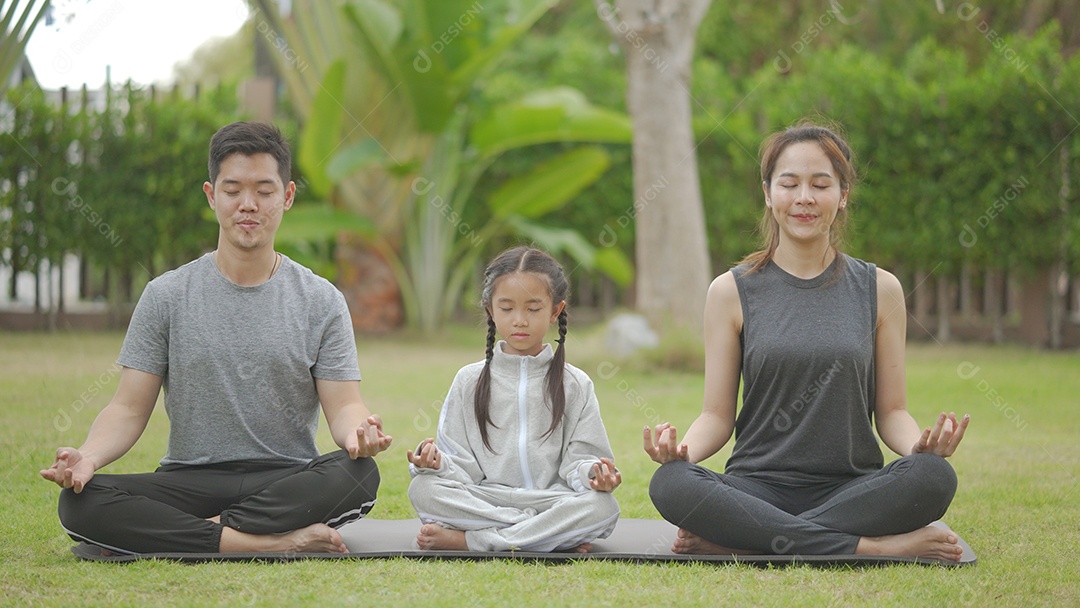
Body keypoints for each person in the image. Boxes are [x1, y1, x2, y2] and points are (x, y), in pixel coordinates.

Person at [40, 121, 392, 555]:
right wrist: (88, 458)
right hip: (189, 480)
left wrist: (360, 432)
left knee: (358, 475)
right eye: (233, 190)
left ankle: (204, 534)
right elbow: (128, 408)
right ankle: (264, 543)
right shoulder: (166, 295)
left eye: (264, 191)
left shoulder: (321, 300)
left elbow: (345, 405)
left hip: (286, 479)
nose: (248, 205)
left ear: (287, 197)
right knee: (80, 503)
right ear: (211, 196)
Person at [645, 120, 971, 561]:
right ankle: (870, 548)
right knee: (671, 484)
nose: (804, 198)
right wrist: (680, 453)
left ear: (843, 195)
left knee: (934, 476)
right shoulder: (730, 291)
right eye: (789, 184)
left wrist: (918, 449)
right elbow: (716, 416)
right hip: (757, 489)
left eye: (820, 185)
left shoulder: (881, 289)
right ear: (767, 192)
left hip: (853, 489)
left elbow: (892, 411)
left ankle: (744, 540)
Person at [406, 246, 621, 552]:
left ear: (555, 311)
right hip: (486, 498)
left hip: (552, 501)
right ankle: (544, 537)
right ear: (491, 311)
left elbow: (582, 461)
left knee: (603, 507)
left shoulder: (576, 384)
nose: (519, 320)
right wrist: (436, 464)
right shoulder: (468, 380)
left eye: (533, 309)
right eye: (507, 309)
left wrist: (594, 475)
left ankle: (474, 541)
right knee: (423, 489)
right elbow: (459, 466)